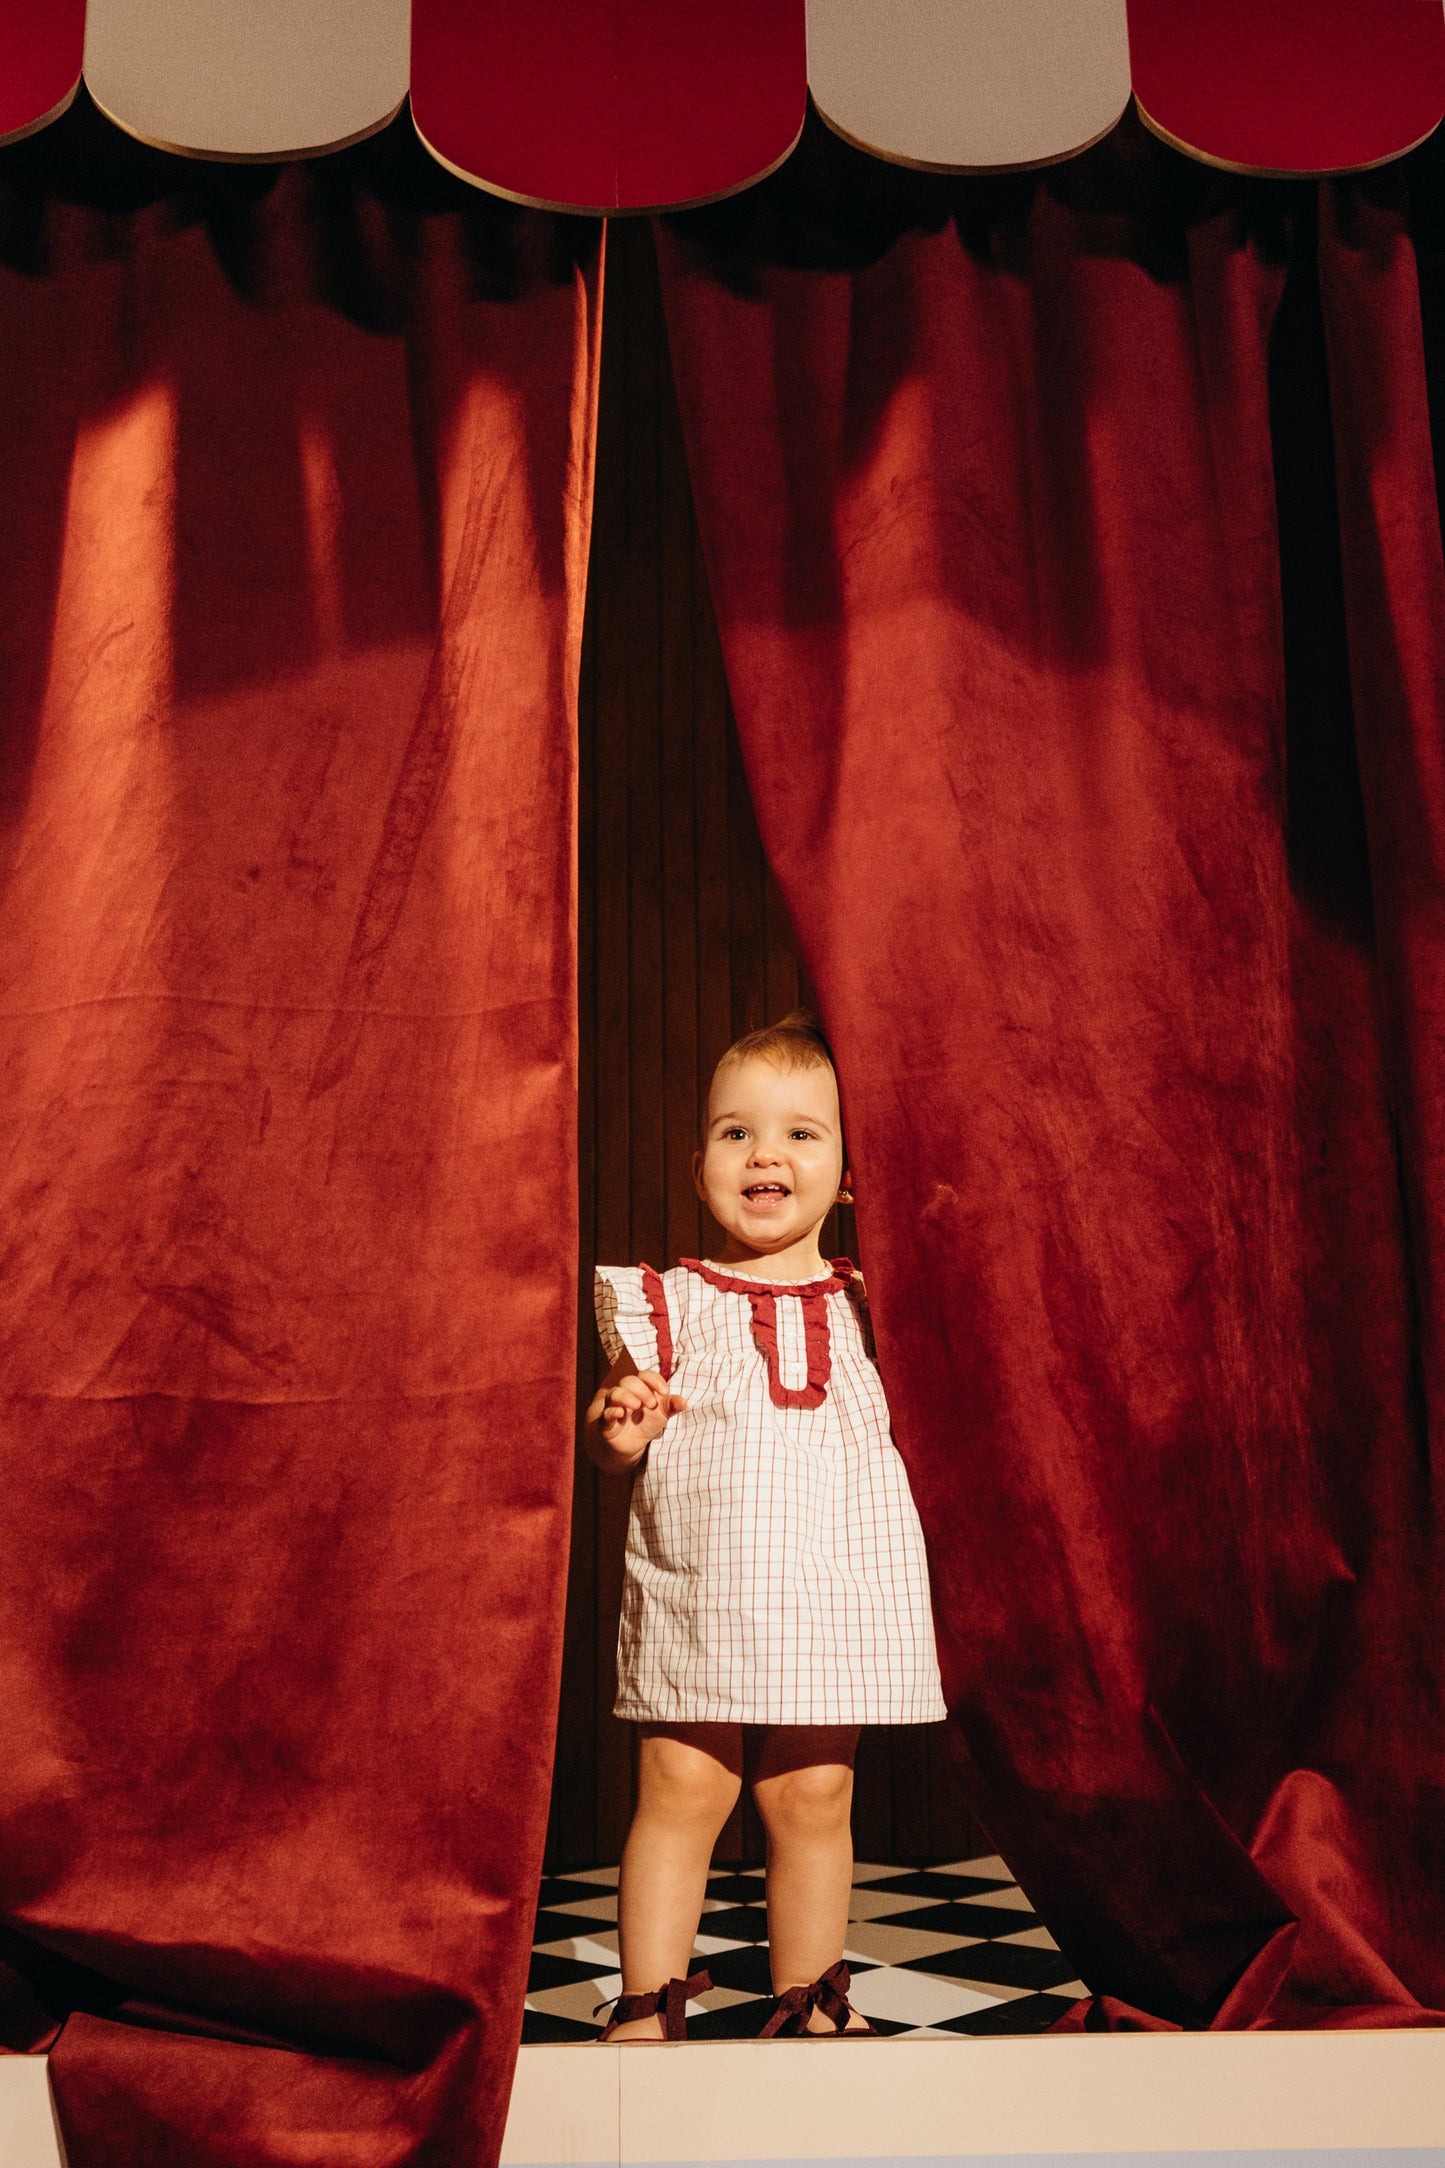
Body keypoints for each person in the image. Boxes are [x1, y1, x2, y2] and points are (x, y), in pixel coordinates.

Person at [584, 1010, 945, 2040]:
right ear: (698, 1163)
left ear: (848, 1175)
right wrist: (618, 1427)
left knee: (813, 1795)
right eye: (735, 1132)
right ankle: (648, 2002)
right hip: (706, 1588)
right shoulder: (668, 1303)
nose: (764, 1154)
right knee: (681, 1788)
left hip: (836, 1586)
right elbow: (611, 1445)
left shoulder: (875, 1307)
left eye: (799, 1132)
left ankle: (810, 1998)